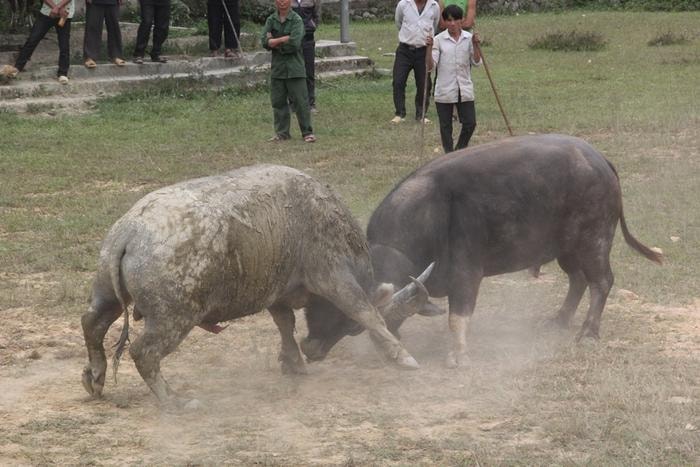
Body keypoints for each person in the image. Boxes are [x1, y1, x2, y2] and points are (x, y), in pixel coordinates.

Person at [428, 4, 481, 153]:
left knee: (470, 123)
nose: (452, 24)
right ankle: (448, 155)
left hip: (464, 87)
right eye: (448, 20)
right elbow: (430, 67)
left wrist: (476, 46)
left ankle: (459, 151)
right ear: (444, 22)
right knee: (446, 127)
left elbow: (477, 62)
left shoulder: (469, 38)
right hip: (445, 89)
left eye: (455, 20)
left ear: (461, 20)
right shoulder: (438, 40)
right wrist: (428, 49)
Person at [261, 0, 315, 143]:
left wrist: (274, 42)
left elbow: (295, 43)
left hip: (295, 68)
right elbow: (263, 41)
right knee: (278, 102)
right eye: (279, 0)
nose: (282, 3)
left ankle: (307, 132)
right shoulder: (271, 20)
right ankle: (282, 133)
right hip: (278, 69)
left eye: (285, 0)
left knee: (301, 101)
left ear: (290, 2)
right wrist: (283, 39)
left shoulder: (297, 20)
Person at [0, 0, 75, 84]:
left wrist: (58, 7)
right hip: (47, 11)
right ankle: (17, 68)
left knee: (64, 44)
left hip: (64, 12)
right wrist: (54, 7)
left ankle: (63, 73)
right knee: (33, 39)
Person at [391, 0, 440, 124]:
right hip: (405, 49)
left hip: (424, 50)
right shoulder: (403, 4)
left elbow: (435, 25)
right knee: (398, 81)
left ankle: (421, 114)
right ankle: (400, 113)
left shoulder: (434, 6)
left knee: (424, 83)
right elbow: (399, 22)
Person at [291, 0, 320, 112]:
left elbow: (316, 16)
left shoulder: (312, 1)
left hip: (308, 40)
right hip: (292, 41)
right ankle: (293, 103)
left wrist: (311, 26)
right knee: (292, 71)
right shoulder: (286, 2)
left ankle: (310, 103)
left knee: (309, 72)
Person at [83, 0, 126, 68]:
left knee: (114, 27)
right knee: (93, 26)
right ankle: (90, 56)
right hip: (94, 2)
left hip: (113, 2)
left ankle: (116, 55)